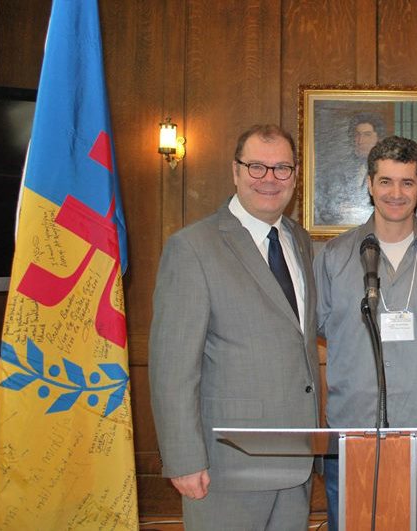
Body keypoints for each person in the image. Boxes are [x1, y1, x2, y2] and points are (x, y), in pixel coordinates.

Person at [149, 124, 320, 530]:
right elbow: (173, 367)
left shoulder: (299, 239)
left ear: (295, 176)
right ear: (235, 172)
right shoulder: (193, 247)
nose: (269, 179)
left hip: (296, 462)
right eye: (256, 167)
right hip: (227, 466)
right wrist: (183, 459)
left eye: (282, 168)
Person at [315, 135, 417, 530]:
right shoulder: (334, 257)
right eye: (386, 181)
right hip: (349, 433)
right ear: (370, 185)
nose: (396, 193)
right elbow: (316, 327)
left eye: (407, 182)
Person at [314, 112, 386, 226]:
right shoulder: (337, 169)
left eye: (367, 135)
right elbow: (324, 208)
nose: (360, 140)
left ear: (378, 138)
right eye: (357, 135)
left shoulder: (387, 170)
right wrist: (339, 213)